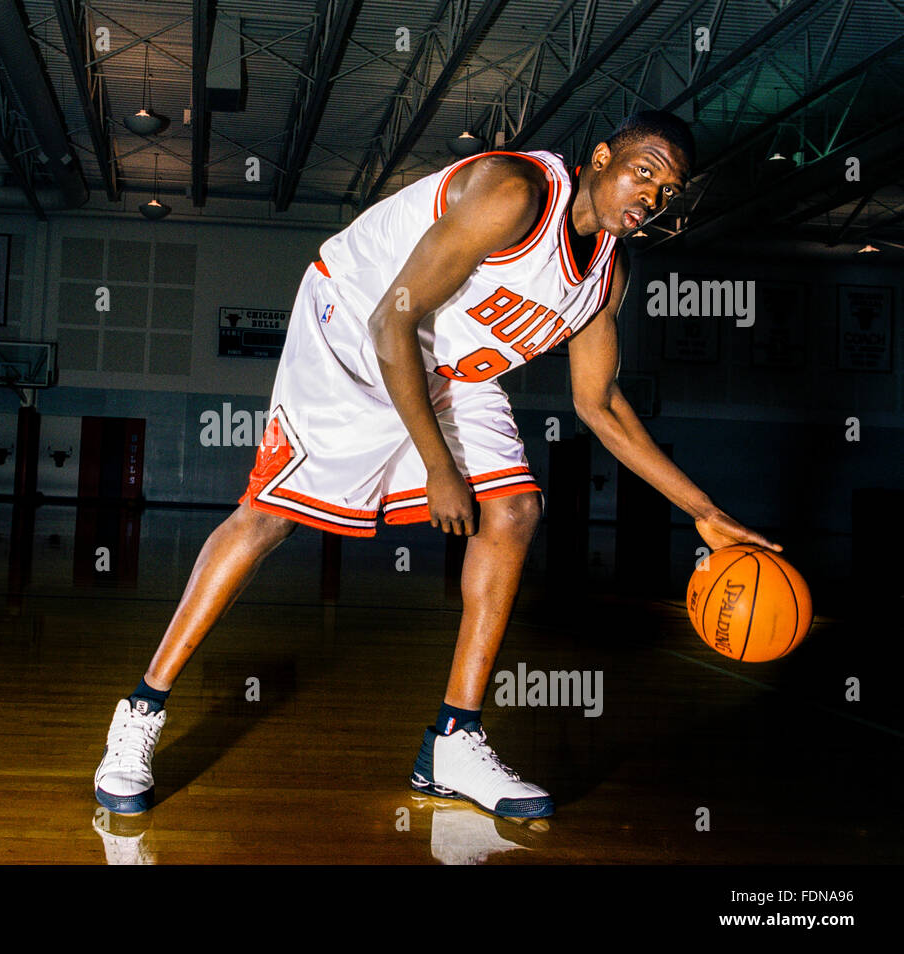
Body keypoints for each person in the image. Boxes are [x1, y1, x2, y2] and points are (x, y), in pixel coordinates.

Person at [93, 111, 780, 819]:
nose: (652, 198)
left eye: (669, 191)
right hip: (360, 323)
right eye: (644, 173)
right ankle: (141, 712)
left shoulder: (608, 274)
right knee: (271, 515)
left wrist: (709, 515)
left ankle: (455, 739)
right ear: (601, 158)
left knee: (514, 510)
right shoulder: (512, 191)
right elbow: (392, 320)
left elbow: (599, 403)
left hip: (452, 360)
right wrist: (439, 465)